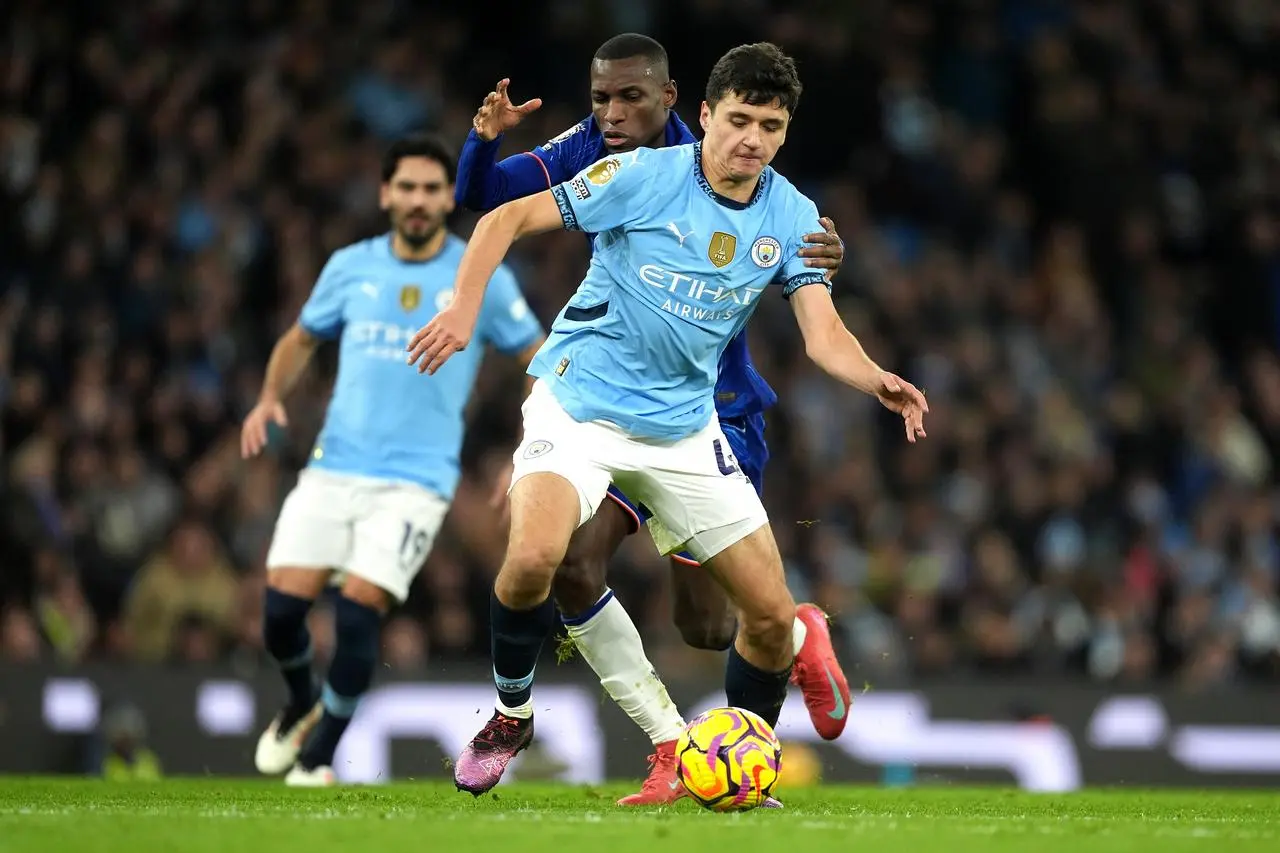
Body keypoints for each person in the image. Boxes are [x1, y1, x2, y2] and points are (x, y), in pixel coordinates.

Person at [409, 42, 929, 805]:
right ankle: (513, 717)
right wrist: (461, 304)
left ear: (785, 133)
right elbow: (504, 216)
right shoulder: (642, 174)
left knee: (761, 617)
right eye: (741, 119)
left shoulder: (790, 215)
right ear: (707, 114)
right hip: (578, 404)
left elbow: (823, 334)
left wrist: (876, 376)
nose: (753, 138)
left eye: (772, 125)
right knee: (535, 561)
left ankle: (742, 765)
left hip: (687, 428)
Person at [242, 134, 545, 786]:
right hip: (333, 467)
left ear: (448, 198)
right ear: (385, 193)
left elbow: (539, 359)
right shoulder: (350, 266)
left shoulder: (479, 273)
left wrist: (530, 445)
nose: (418, 200)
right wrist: (268, 397)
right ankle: (300, 701)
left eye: (432, 189)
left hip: (417, 479)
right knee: (280, 616)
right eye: (406, 187)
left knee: (356, 610)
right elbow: (300, 338)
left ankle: (319, 755)